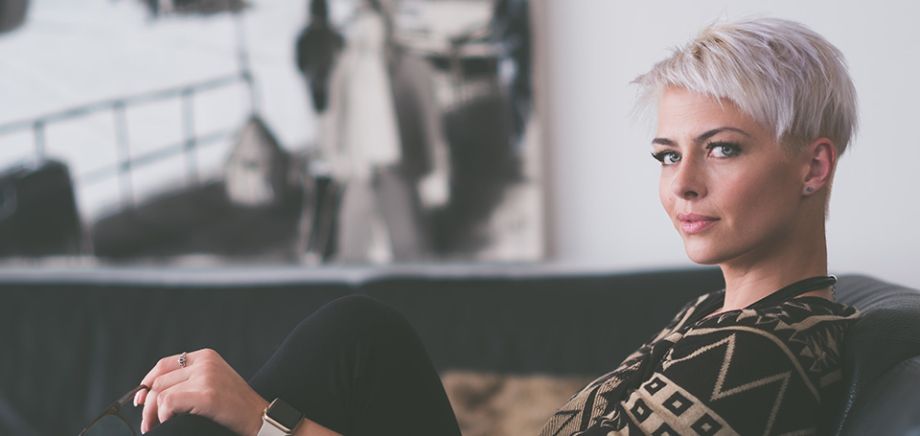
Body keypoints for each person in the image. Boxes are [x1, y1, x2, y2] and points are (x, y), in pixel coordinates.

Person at [130, 17, 860, 435]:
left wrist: (263, 422)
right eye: (668, 155)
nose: (682, 183)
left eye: (722, 149)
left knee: (308, 363)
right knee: (359, 335)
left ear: (813, 166)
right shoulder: (716, 317)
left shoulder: (760, 357)